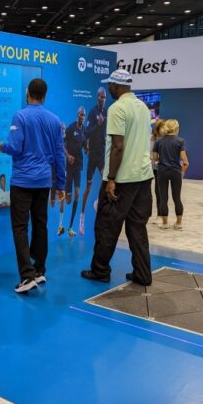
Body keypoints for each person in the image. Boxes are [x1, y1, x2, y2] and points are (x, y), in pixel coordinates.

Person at [81, 69, 154, 286]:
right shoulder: (143, 108)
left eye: (110, 85)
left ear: (116, 85)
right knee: (137, 227)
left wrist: (111, 178)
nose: (109, 89)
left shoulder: (117, 108)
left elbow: (117, 146)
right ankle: (142, 273)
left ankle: (100, 271)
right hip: (143, 177)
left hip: (122, 179)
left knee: (106, 225)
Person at [0, 78, 65, 294]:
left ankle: (27, 276)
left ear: (28, 93)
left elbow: (15, 147)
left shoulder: (20, 116)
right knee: (40, 224)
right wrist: (61, 184)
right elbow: (59, 155)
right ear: (44, 96)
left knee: (20, 227)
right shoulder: (55, 120)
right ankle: (39, 270)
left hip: (22, 182)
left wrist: (3, 147)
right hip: (43, 182)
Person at [79, 87, 107, 235]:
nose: (103, 99)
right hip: (92, 156)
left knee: (106, 178)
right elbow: (87, 132)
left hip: (101, 154)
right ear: (97, 97)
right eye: (101, 97)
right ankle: (82, 216)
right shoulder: (92, 112)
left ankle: (98, 202)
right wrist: (98, 125)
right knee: (88, 188)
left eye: (104, 97)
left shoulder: (106, 112)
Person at [153, 119, 189, 231]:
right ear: (176, 129)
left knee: (163, 198)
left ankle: (165, 223)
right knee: (177, 197)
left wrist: (160, 161)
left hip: (162, 171)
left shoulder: (158, 141)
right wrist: (182, 172)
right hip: (175, 172)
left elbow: (154, 159)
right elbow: (185, 161)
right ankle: (178, 223)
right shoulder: (180, 141)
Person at [62, 107, 88, 237]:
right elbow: (62, 144)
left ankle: (70, 227)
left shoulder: (84, 130)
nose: (82, 117)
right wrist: (68, 156)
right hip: (69, 166)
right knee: (68, 200)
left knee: (77, 193)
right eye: (81, 114)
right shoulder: (71, 128)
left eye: (84, 115)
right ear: (77, 115)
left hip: (78, 166)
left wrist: (87, 148)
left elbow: (84, 145)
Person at [150, 118, 166, 224]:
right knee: (154, 191)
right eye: (162, 127)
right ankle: (154, 214)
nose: (164, 129)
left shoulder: (167, 139)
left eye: (165, 127)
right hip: (152, 167)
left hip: (163, 167)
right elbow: (150, 153)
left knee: (160, 191)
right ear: (157, 128)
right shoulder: (151, 138)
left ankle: (161, 214)